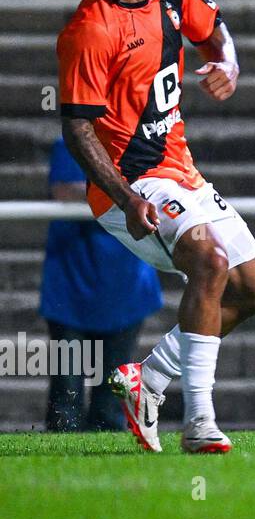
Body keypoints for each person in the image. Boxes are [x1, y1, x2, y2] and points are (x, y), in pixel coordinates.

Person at [57, 0, 255, 454]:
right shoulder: (90, 28)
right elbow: (78, 130)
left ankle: (148, 379)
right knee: (209, 261)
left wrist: (228, 63)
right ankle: (200, 421)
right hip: (128, 183)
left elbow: (217, 30)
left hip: (180, 170)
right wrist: (125, 197)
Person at [40, 137, 164, 432]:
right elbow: (63, 191)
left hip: (127, 283)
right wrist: (127, 198)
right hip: (71, 284)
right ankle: (57, 473)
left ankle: (109, 471)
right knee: (65, 398)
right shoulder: (71, 143)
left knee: (110, 402)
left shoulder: (146, 143)